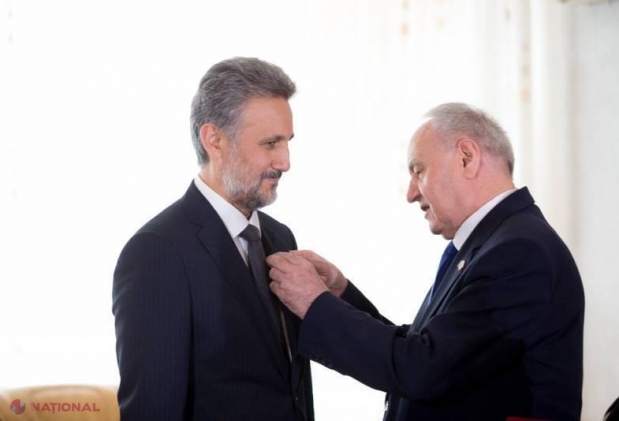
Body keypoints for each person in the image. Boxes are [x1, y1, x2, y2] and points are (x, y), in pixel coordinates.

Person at [267, 103, 584, 421]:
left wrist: (315, 303)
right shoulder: (495, 243)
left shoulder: (518, 251)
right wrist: (340, 295)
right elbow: (430, 349)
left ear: (467, 158)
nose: (410, 193)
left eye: (418, 171)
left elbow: (423, 369)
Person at [112, 57, 314, 421]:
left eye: (287, 142)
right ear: (214, 140)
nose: (285, 162)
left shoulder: (280, 236)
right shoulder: (156, 252)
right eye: (270, 143)